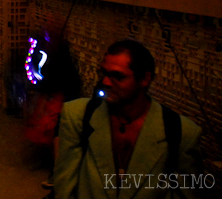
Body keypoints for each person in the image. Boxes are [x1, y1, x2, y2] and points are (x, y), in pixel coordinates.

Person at [53, 40, 204, 199]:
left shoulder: (180, 132)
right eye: (104, 73)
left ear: (145, 79)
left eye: (118, 76)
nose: (105, 82)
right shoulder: (78, 116)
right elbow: (65, 186)